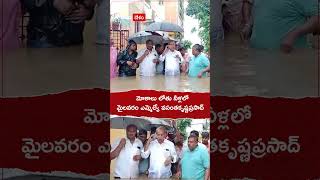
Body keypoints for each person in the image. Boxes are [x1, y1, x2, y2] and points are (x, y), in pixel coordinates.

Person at [241, 0, 319, 53]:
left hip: (288, 60)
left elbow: (317, 18)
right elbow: (258, 9)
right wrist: (249, 25)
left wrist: (294, 34)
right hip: (257, 59)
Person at [21, 0, 96, 48]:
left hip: (75, 43)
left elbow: (89, 4)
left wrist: (88, 12)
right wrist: (53, 1)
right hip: (43, 43)